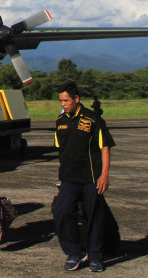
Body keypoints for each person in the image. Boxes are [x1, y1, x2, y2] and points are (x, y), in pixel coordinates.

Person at [52, 81, 115, 273]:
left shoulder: (93, 119)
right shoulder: (60, 122)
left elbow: (104, 147)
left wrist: (104, 175)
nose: (63, 104)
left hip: (91, 177)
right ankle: (75, 252)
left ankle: (96, 256)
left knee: (94, 215)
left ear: (76, 99)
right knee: (61, 211)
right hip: (69, 177)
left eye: (66, 100)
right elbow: (61, 151)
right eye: (61, 101)